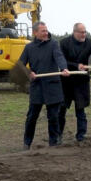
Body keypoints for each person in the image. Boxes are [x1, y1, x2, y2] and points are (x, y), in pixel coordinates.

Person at [20, 21, 70, 149]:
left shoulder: (53, 44)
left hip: (52, 86)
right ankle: (27, 143)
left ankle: (53, 142)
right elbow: (20, 65)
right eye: (43, 31)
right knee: (32, 117)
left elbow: (59, 57)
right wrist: (29, 72)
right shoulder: (29, 47)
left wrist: (64, 68)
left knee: (53, 116)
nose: (46, 33)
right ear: (35, 33)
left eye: (46, 30)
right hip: (37, 86)